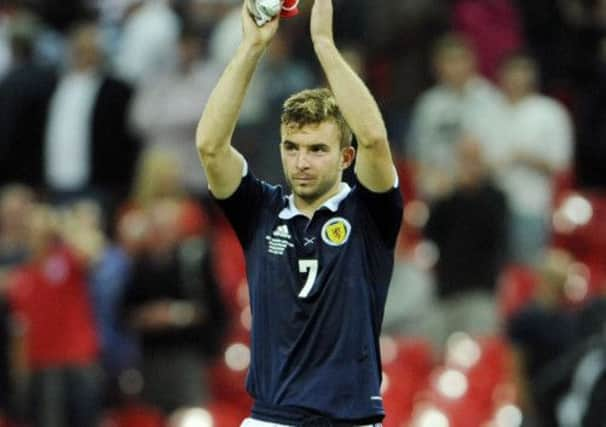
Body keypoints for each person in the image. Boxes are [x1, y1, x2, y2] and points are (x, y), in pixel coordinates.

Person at [196, 1, 403, 425]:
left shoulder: (368, 213)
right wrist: (252, 47)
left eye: (317, 150)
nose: (302, 161)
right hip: (271, 418)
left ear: (346, 156)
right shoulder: (261, 211)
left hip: (351, 420)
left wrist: (324, 46)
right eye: (292, 148)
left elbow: (375, 141)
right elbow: (211, 147)